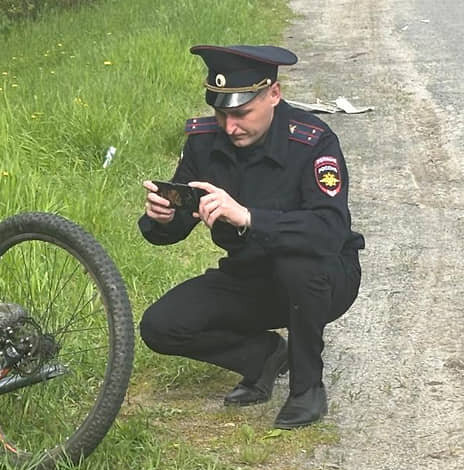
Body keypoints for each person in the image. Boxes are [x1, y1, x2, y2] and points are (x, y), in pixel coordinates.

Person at [138, 44, 364, 429]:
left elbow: (328, 230)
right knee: (160, 325)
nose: (230, 127)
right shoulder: (205, 142)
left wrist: (249, 217)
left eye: (241, 114)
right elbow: (177, 223)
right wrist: (163, 217)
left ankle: (307, 388)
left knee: (297, 265)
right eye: (221, 114)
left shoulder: (311, 142)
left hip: (324, 277)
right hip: (249, 274)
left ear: (273, 94)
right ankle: (262, 357)